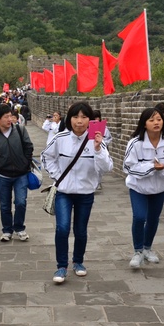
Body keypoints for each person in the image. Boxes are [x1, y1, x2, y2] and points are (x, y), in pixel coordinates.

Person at [41, 102, 113, 284]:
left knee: (80, 230)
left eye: (84, 117)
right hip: (64, 192)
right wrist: (57, 176)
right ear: (69, 119)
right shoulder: (60, 138)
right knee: (62, 228)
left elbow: (107, 167)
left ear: (90, 120)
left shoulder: (96, 140)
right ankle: (61, 266)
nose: (79, 121)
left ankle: (78, 262)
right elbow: (46, 157)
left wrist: (98, 148)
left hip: (85, 193)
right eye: (75, 117)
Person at [124, 107, 164, 269]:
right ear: (144, 124)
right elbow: (128, 166)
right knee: (139, 217)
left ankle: (147, 248)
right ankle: (137, 251)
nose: (156, 123)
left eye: (158, 119)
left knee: (153, 219)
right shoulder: (135, 143)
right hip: (138, 187)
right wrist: (151, 167)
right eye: (151, 120)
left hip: (159, 188)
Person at [0, 103, 34, 242]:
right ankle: (7, 230)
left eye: (10, 116)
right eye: (6, 117)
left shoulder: (20, 130)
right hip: (3, 176)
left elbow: (29, 146)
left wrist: (25, 163)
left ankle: (19, 228)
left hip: (21, 174)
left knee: (20, 202)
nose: (10, 119)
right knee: (4, 205)